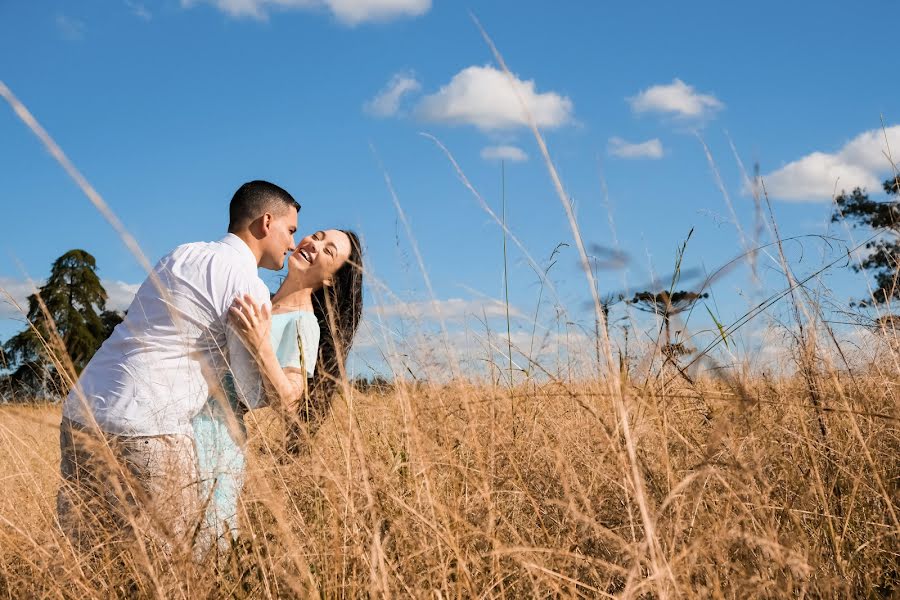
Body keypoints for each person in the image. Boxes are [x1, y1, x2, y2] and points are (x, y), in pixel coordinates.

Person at [57, 180, 300, 557]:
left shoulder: (181, 253)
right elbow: (253, 394)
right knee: (170, 569)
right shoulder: (249, 286)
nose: (293, 244)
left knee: (88, 555)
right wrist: (266, 350)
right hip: (149, 426)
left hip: (83, 409)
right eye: (291, 230)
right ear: (266, 222)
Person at [193, 229, 364, 554]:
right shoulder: (264, 300)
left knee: (201, 547)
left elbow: (290, 402)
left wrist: (260, 346)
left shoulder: (304, 324)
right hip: (191, 421)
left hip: (216, 439)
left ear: (329, 281)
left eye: (328, 251)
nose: (314, 245)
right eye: (316, 236)